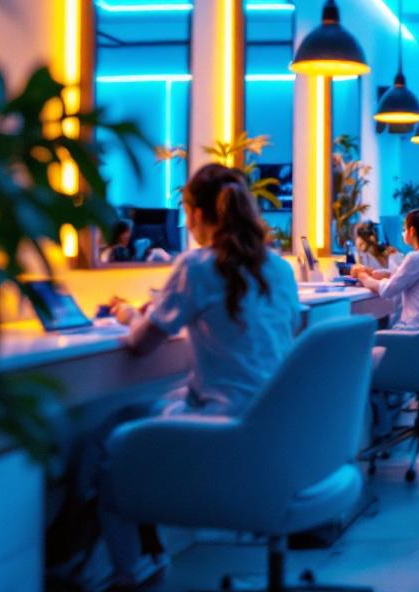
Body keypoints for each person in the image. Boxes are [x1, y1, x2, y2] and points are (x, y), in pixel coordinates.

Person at [96, 164, 299, 589]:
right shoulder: (279, 270)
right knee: (144, 412)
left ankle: (126, 571)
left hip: (229, 429)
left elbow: (142, 344)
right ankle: (151, 552)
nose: (186, 222)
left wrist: (130, 313)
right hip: (282, 431)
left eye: (187, 211)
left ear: (200, 214)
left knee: (113, 443)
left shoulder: (199, 267)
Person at [352, 208, 419, 331]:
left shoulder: (416, 257)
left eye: (404, 229)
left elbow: (386, 290)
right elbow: (407, 277)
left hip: (412, 333)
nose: (402, 233)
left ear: (412, 231)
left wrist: (361, 275)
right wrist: (380, 275)